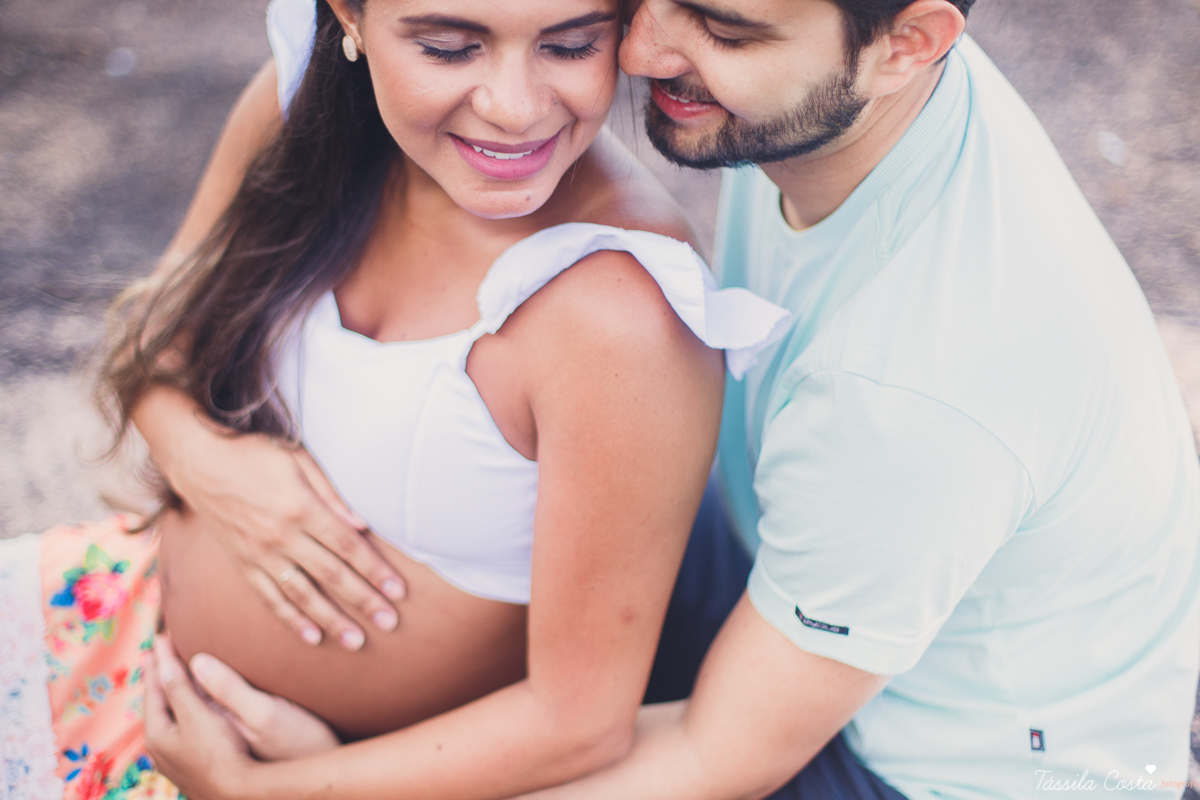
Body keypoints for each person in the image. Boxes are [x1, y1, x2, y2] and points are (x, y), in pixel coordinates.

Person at [178, 0, 1200, 798]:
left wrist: (290, 789)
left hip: (941, 767)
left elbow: (720, 752)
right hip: (795, 561)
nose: (642, 49)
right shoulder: (834, 87)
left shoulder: (914, 387)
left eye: (724, 29)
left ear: (908, 46)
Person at [0, 0, 791, 798]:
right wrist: (210, 464)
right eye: (448, 48)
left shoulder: (621, 312)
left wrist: (257, 789)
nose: (514, 107)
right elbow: (153, 329)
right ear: (350, 16)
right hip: (117, 620)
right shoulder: (301, 106)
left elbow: (578, 721)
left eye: (571, 45)